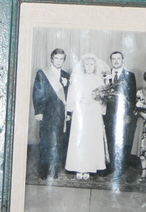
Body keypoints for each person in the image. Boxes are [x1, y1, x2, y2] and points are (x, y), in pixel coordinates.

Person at [65, 54, 110, 179]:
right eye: (87, 64)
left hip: (94, 111)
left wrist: (95, 101)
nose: (89, 66)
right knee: (81, 137)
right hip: (81, 111)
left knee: (92, 138)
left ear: (95, 66)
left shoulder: (99, 80)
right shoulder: (78, 79)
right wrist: (81, 100)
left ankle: (90, 168)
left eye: (91, 64)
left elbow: (103, 98)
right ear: (83, 66)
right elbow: (72, 95)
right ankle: (79, 167)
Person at [32, 48, 71, 180]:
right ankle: (44, 171)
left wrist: (68, 112)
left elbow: (68, 96)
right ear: (51, 59)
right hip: (47, 112)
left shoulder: (66, 75)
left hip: (61, 113)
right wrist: (38, 111)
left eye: (61, 59)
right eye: (56, 58)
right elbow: (38, 92)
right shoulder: (42, 73)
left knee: (58, 142)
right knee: (46, 142)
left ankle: (54, 170)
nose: (59, 61)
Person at [103, 51, 137, 181]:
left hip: (123, 114)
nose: (116, 61)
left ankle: (120, 166)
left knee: (122, 139)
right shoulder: (106, 75)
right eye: (113, 59)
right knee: (110, 138)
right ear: (111, 60)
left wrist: (128, 114)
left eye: (118, 58)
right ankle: (111, 165)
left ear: (123, 60)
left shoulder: (129, 75)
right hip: (109, 114)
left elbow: (132, 96)